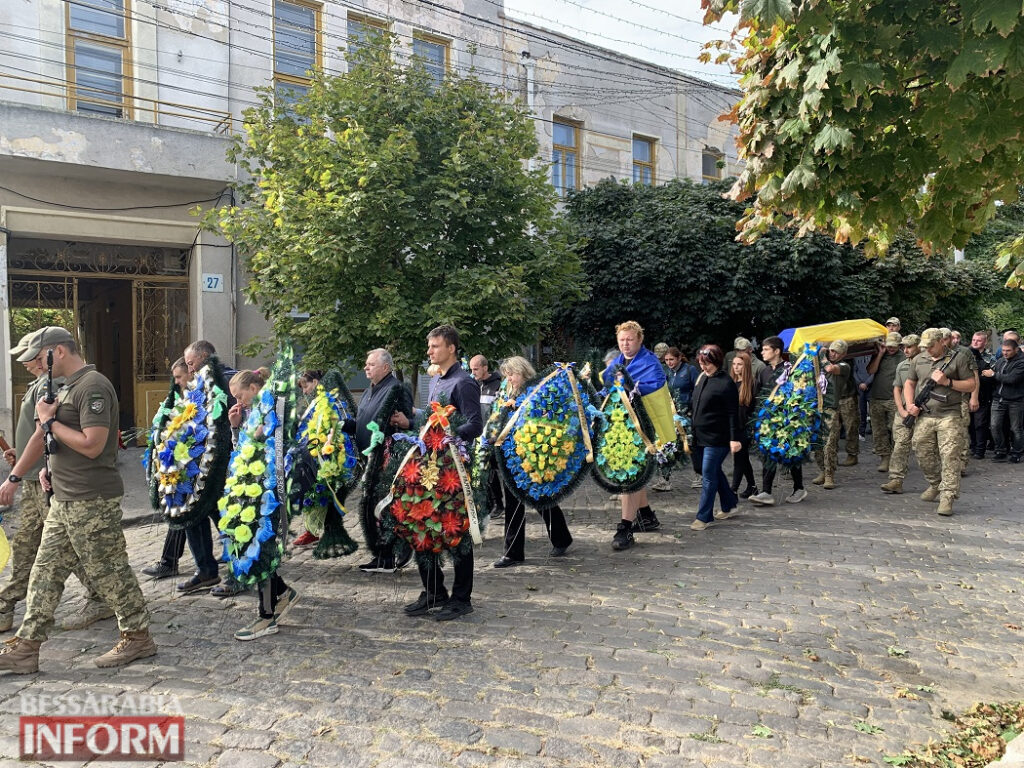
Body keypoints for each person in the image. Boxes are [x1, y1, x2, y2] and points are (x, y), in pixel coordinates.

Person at [0, 327, 156, 673]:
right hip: (64, 495)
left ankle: (138, 636)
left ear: (59, 351)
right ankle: (26, 648)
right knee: (45, 572)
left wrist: (50, 423)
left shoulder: (93, 386)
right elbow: (56, 440)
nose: (37, 364)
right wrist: (48, 467)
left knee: (109, 571)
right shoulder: (67, 387)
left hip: (92, 499)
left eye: (40, 358)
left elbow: (93, 444)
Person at [0, 331, 109, 635]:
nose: (27, 364)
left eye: (32, 358)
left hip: (47, 480)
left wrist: (14, 475)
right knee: (29, 543)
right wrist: (19, 456)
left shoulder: (57, 385)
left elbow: (43, 435)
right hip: (37, 475)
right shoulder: (38, 385)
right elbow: (35, 436)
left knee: (62, 547)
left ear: (52, 354)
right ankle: (6, 605)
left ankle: (104, 595)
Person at [391, 325, 482, 621]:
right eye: (429, 346)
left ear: (451, 348)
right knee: (423, 524)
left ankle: (461, 598)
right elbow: (431, 421)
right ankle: (433, 592)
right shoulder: (436, 380)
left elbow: (474, 424)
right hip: (427, 465)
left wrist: (449, 435)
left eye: (435, 346)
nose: (429, 351)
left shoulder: (463, 382)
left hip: (451, 468)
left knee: (455, 529)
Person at [181, 340, 247, 598]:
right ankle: (206, 570)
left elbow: (232, 421)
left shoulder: (227, 381)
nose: (190, 369)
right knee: (191, 514)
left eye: (191, 363)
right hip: (199, 465)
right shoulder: (198, 384)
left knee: (228, 520)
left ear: (205, 357)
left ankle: (240, 572)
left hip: (223, 465)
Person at [492, 356, 573, 566]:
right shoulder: (505, 394)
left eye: (513, 374)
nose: (509, 379)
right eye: (506, 375)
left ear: (524, 373)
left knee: (541, 499)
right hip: (510, 456)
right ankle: (513, 552)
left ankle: (561, 538)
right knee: (513, 503)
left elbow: (543, 420)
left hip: (533, 455)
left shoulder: (538, 392)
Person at [602, 321, 674, 551]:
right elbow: (608, 386)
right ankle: (646, 516)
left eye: (630, 339)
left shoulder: (649, 363)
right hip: (621, 427)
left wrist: (629, 391)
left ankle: (625, 528)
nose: (625, 344)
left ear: (640, 339)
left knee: (630, 477)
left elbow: (652, 390)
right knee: (633, 474)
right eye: (622, 340)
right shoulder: (618, 362)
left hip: (643, 429)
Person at [352, 348, 414, 573]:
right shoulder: (370, 390)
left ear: (386, 367)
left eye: (371, 364)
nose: (366, 368)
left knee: (386, 507)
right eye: (366, 364)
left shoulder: (397, 389)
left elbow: (408, 424)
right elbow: (364, 421)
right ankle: (382, 555)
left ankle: (397, 551)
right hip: (369, 457)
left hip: (388, 459)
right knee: (371, 508)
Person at [906, 328, 977, 516]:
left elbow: (971, 384)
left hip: (949, 415)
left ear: (941, 342)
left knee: (949, 456)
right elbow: (909, 383)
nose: (928, 349)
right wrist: (910, 404)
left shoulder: (958, 358)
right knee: (921, 451)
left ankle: (948, 496)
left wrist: (948, 382)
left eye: (931, 346)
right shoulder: (918, 359)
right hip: (925, 415)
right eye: (925, 346)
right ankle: (935, 483)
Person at [140, 358, 191, 578]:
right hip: (181, 464)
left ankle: (169, 562)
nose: (177, 381)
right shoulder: (178, 397)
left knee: (181, 512)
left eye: (179, 376)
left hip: (191, 466)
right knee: (198, 513)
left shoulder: (200, 397)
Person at [689, 345, 743, 530]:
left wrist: (735, 439)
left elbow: (732, 413)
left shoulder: (725, 383)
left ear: (717, 362)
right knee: (711, 472)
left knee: (709, 476)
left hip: (718, 438)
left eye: (708, 364)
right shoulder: (701, 378)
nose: (704, 367)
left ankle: (704, 517)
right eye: (702, 364)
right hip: (699, 436)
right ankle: (729, 504)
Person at [749, 336, 807, 505]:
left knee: (791, 454)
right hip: (768, 421)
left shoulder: (789, 370)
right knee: (769, 453)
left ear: (777, 351)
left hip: (787, 420)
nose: (762, 352)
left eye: (766, 349)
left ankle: (799, 488)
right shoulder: (763, 371)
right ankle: (766, 491)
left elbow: (797, 395)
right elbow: (758, 395)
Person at [881, 334, 921, 494]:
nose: (906, 350)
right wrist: (902, 410)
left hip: (925, 412)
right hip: (904, 411)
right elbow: (897, 388)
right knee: (899, 446)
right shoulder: (902, 366)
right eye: (904, 347)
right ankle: (896, 480)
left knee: (926, 448)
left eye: (909, 347)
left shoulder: (928, 364)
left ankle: (937, 482)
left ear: (919, 346)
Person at [812, 340, 852, 490]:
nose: (832, 354)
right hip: (817, 408)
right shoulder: (819, 365)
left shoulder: (844, 366)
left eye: (836, 352)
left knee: (829, 444)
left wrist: (821, 353)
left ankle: (829, 475)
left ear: (843, 354)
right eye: (831, 351)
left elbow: (830, 368)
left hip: (831, 410)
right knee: (816, 443)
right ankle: (822, 470)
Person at [469, 354, 505, 519]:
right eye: (471, 369)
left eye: (476, 369)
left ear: (485, 367)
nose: (473, 372)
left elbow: (502, 411)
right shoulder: (474, 385)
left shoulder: (498, 385)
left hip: (495, 437)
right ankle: (496, 504)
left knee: (500, 471)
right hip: (479, 436)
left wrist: (496, 434)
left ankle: (506, 503)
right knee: (486, 473)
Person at [984, 336, 1024, 463]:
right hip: (998, 398)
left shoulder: (1021, 362)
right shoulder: (1000, 360)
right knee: (994, 425)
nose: (1005, 353)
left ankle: (1017, 453)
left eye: (1008, 350)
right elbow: (993, 374)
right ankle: (1000, 450)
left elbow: (1012, 379)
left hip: (1016, 399)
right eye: (1003, 350)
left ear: (1016, 350)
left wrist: (994, 375)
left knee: (1016, 428)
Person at [867, 332, 902, 473]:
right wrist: (880, 354)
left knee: (895, 430)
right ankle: (884, 457)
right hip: (877, 397)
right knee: (878, 430)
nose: (891, 349)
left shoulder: (904, 358)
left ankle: (896, 457)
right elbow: (870, 370)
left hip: (894, 399)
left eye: (894, 346)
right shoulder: (878, 355)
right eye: (889, 346)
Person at [728, 352, 757, 498]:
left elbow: (753, 406)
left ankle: (733, 489)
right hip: (733, 425)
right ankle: (752, 486)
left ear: (746, 366)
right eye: (734, 364)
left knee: (739, 458)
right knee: (743, 458)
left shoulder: (751, 383)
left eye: (739, 364)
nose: (736, 367)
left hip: (745, 425)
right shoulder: (731, 382)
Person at [968, 331, 995, 459]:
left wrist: (980, 377)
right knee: (970, 424)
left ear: (985, 342)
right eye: (974, 340)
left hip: (983, 396)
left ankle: (980, 449)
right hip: (966, 396)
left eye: (978, 340)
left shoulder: (989, 358)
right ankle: (973, 446)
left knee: (980, 423)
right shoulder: (966, 355)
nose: (975, 342)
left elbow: (991, 377)